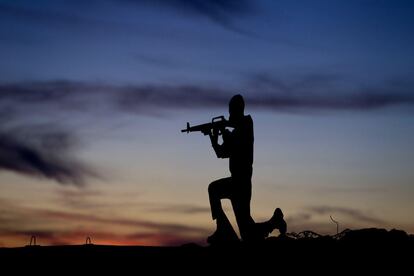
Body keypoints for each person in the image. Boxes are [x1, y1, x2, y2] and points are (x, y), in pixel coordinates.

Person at [206, 94, 286, 244]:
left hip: (241, 183)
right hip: (236, 182)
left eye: (231, 111)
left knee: (213, 189)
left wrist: (223, 130)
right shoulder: (236, 131)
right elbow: (221, 153)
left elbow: (235, 140)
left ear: (238, 110)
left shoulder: (247, 124)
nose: (229, 115)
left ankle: (222, 231)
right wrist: (213, 137)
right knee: (247, 233)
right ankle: (274, 222)